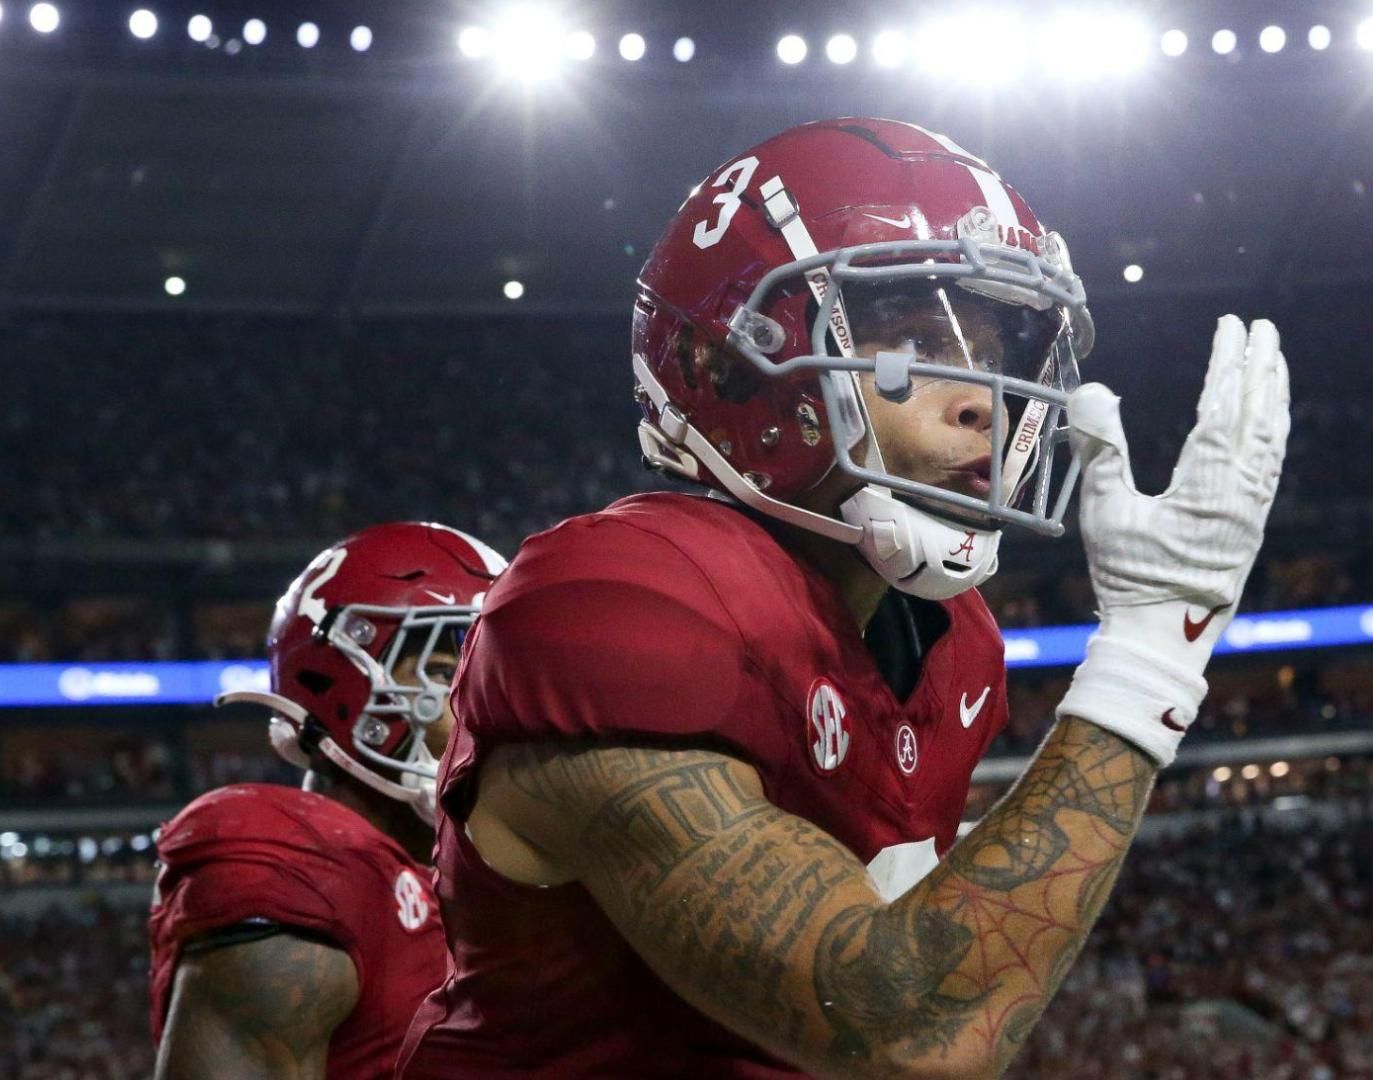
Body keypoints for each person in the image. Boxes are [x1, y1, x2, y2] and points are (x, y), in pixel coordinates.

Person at [398, 117, 1290, 1078]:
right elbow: (904, 1030)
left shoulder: (957, 641)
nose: (982, 395)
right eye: (911, 340)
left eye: (994, 348)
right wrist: (1148, 658)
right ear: (730, 364)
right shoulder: (618, 601)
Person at [148, 522, 507, 1078]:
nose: (482, 712)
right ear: (341, 681)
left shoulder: (501, 875)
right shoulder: (303, 867)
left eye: (494, 681)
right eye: (445, 674)